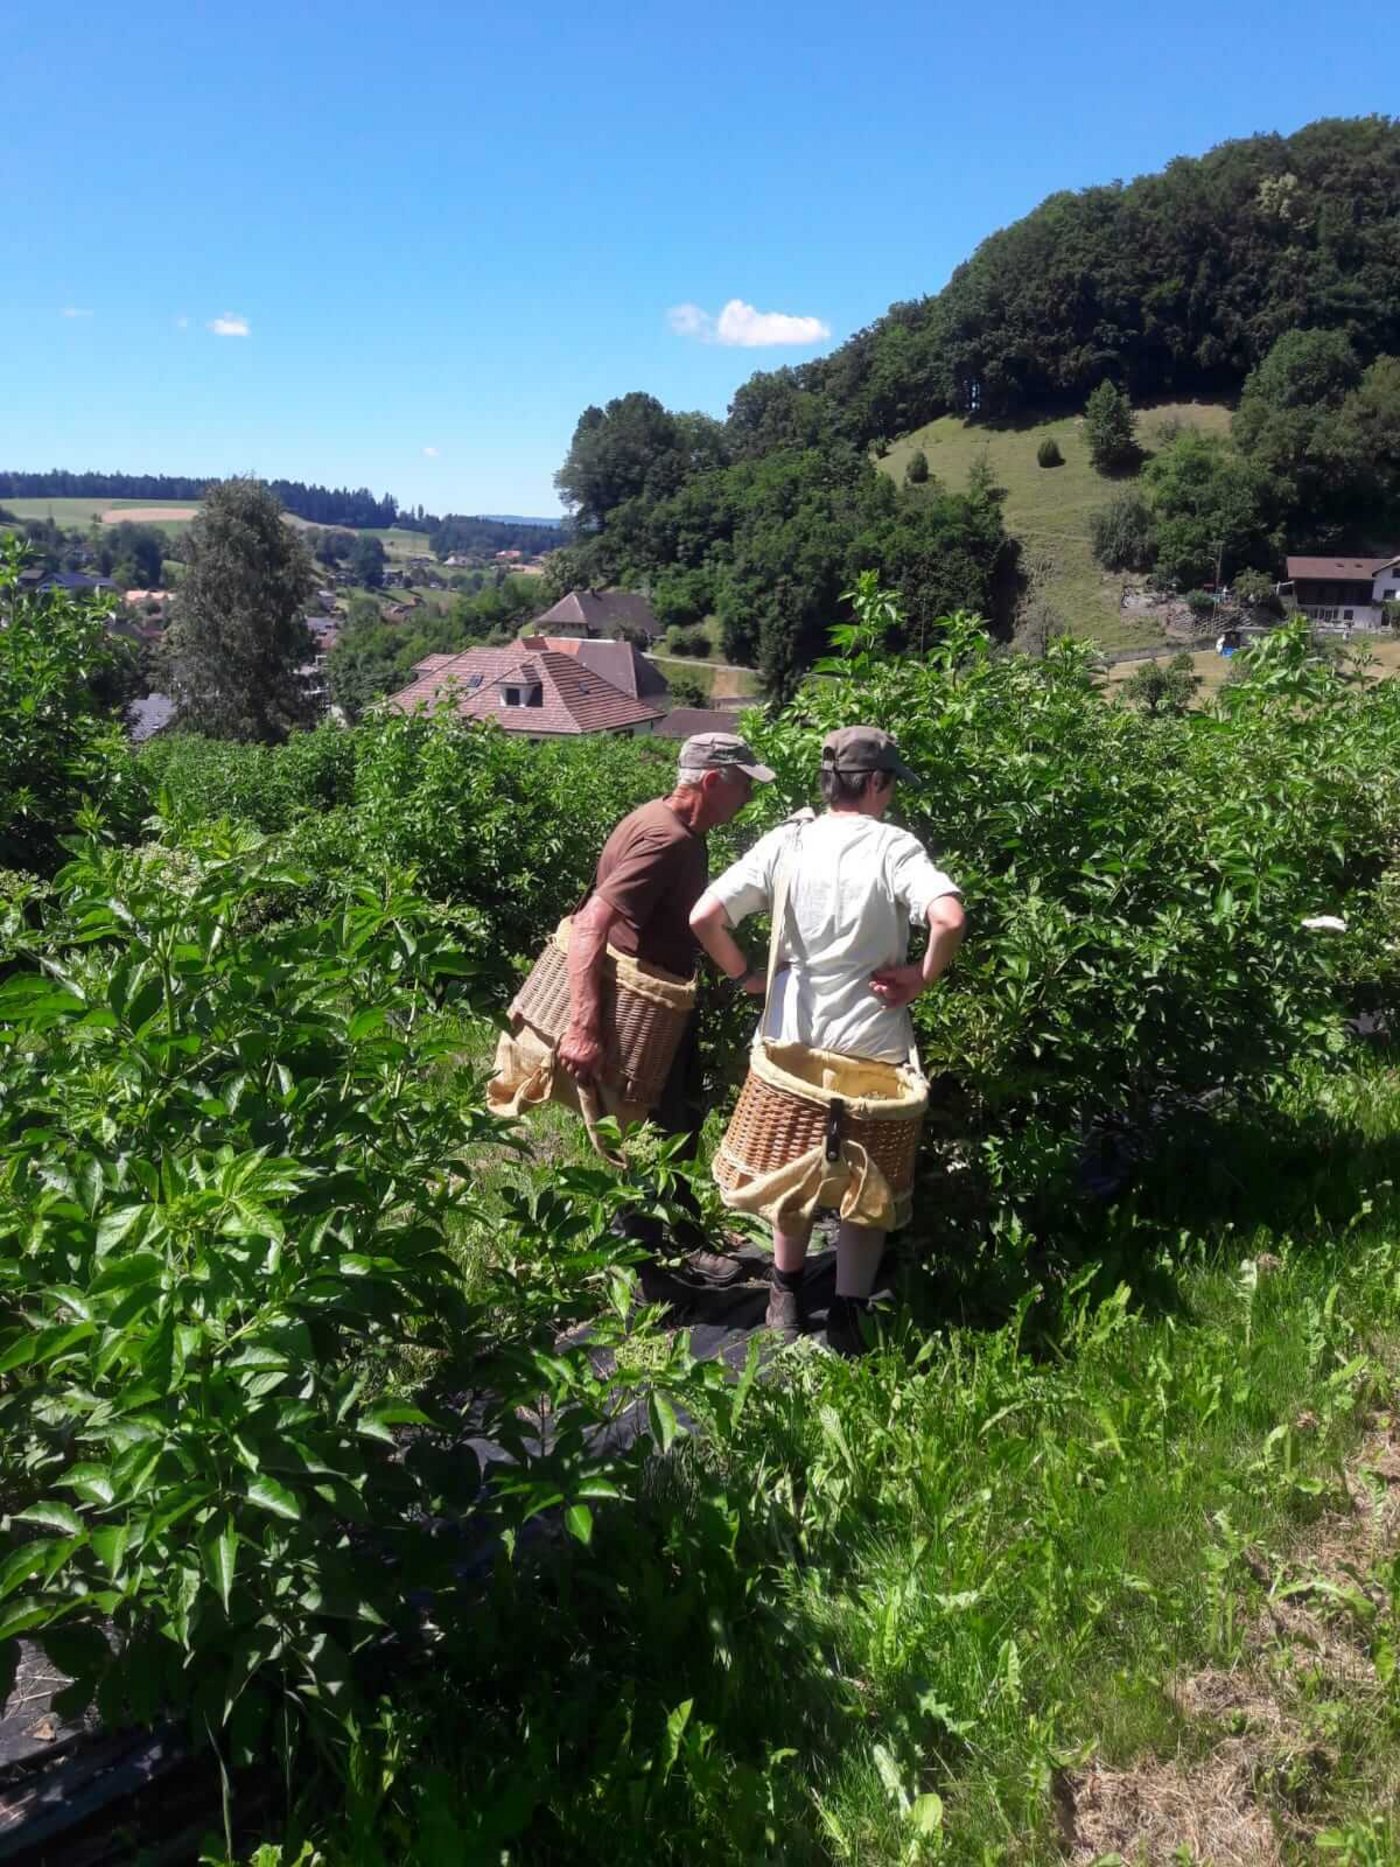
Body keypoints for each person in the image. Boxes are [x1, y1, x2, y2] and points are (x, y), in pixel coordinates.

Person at [689, 725, 965, 1350]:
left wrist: (747, 978)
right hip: (871, 1045)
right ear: (874, 782)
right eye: (889, 784)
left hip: (792, 1039)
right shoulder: (893, 847)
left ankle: (783, 1300)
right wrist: (920, 977)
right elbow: (948, 917)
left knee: (792, 1170)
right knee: (867, 1187)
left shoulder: (786, 841)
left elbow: (704, 915)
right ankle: (846, 1317)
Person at [558, 731, 774, 1289]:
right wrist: (583, 1026)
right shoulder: (666, 838)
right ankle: (645, 1280)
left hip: (663, 1005)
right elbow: (590, 924)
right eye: (743, 786)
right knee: (645, 1138)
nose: (748, 798)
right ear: (709, 782)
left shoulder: (674, 827)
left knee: (678, 1125)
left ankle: (679, 1241)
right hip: (641, 1014)